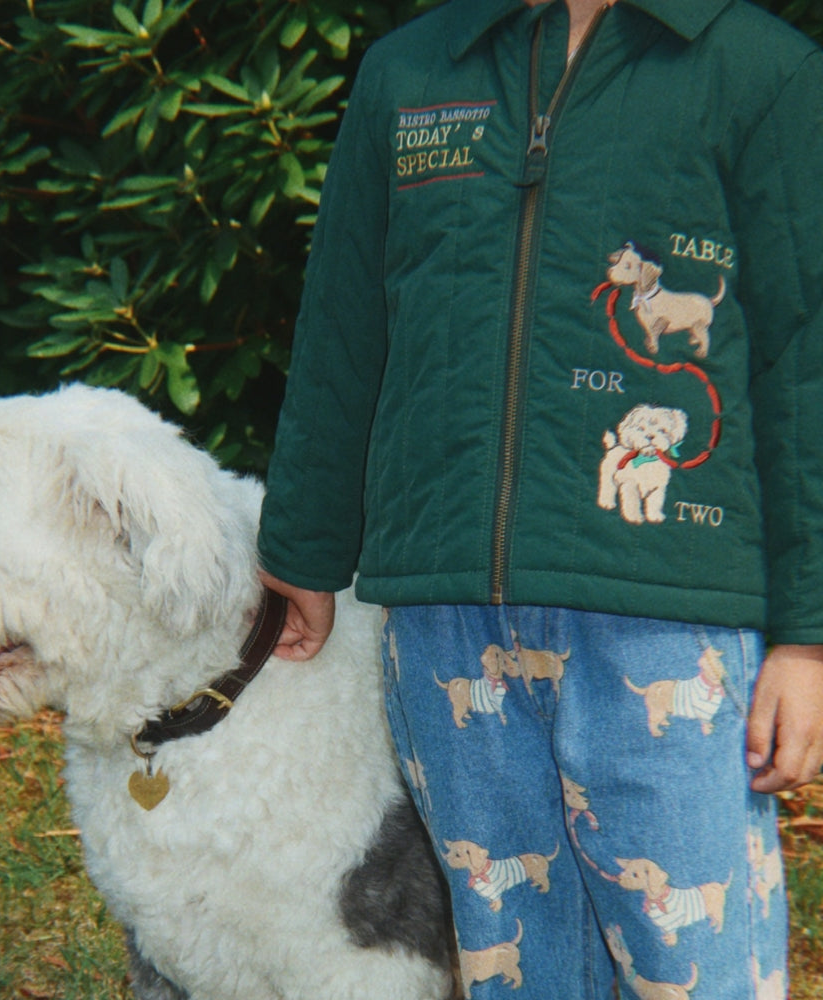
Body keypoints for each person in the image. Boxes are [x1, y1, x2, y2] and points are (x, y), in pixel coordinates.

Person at [257, 0, 823, 996]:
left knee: (692, 962)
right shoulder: (411, 73)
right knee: (511, 954)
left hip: (667, 619)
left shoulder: (759, 73)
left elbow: (806, 361)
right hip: (446, 619)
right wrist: (303, 544)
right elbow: (343, 320)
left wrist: (807, 636)